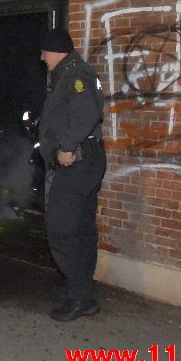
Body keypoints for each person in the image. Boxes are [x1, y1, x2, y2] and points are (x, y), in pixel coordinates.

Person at [38, 27, 106, 321]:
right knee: (81, 229)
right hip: (87, 163)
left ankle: (79, 296)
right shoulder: (70, 71)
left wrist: (65, 147)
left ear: (55, 50)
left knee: (61, 230)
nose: (41, 58)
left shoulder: (74, 73)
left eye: (44, 52)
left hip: (77, 164)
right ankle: (81, 288)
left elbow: (87, 113)